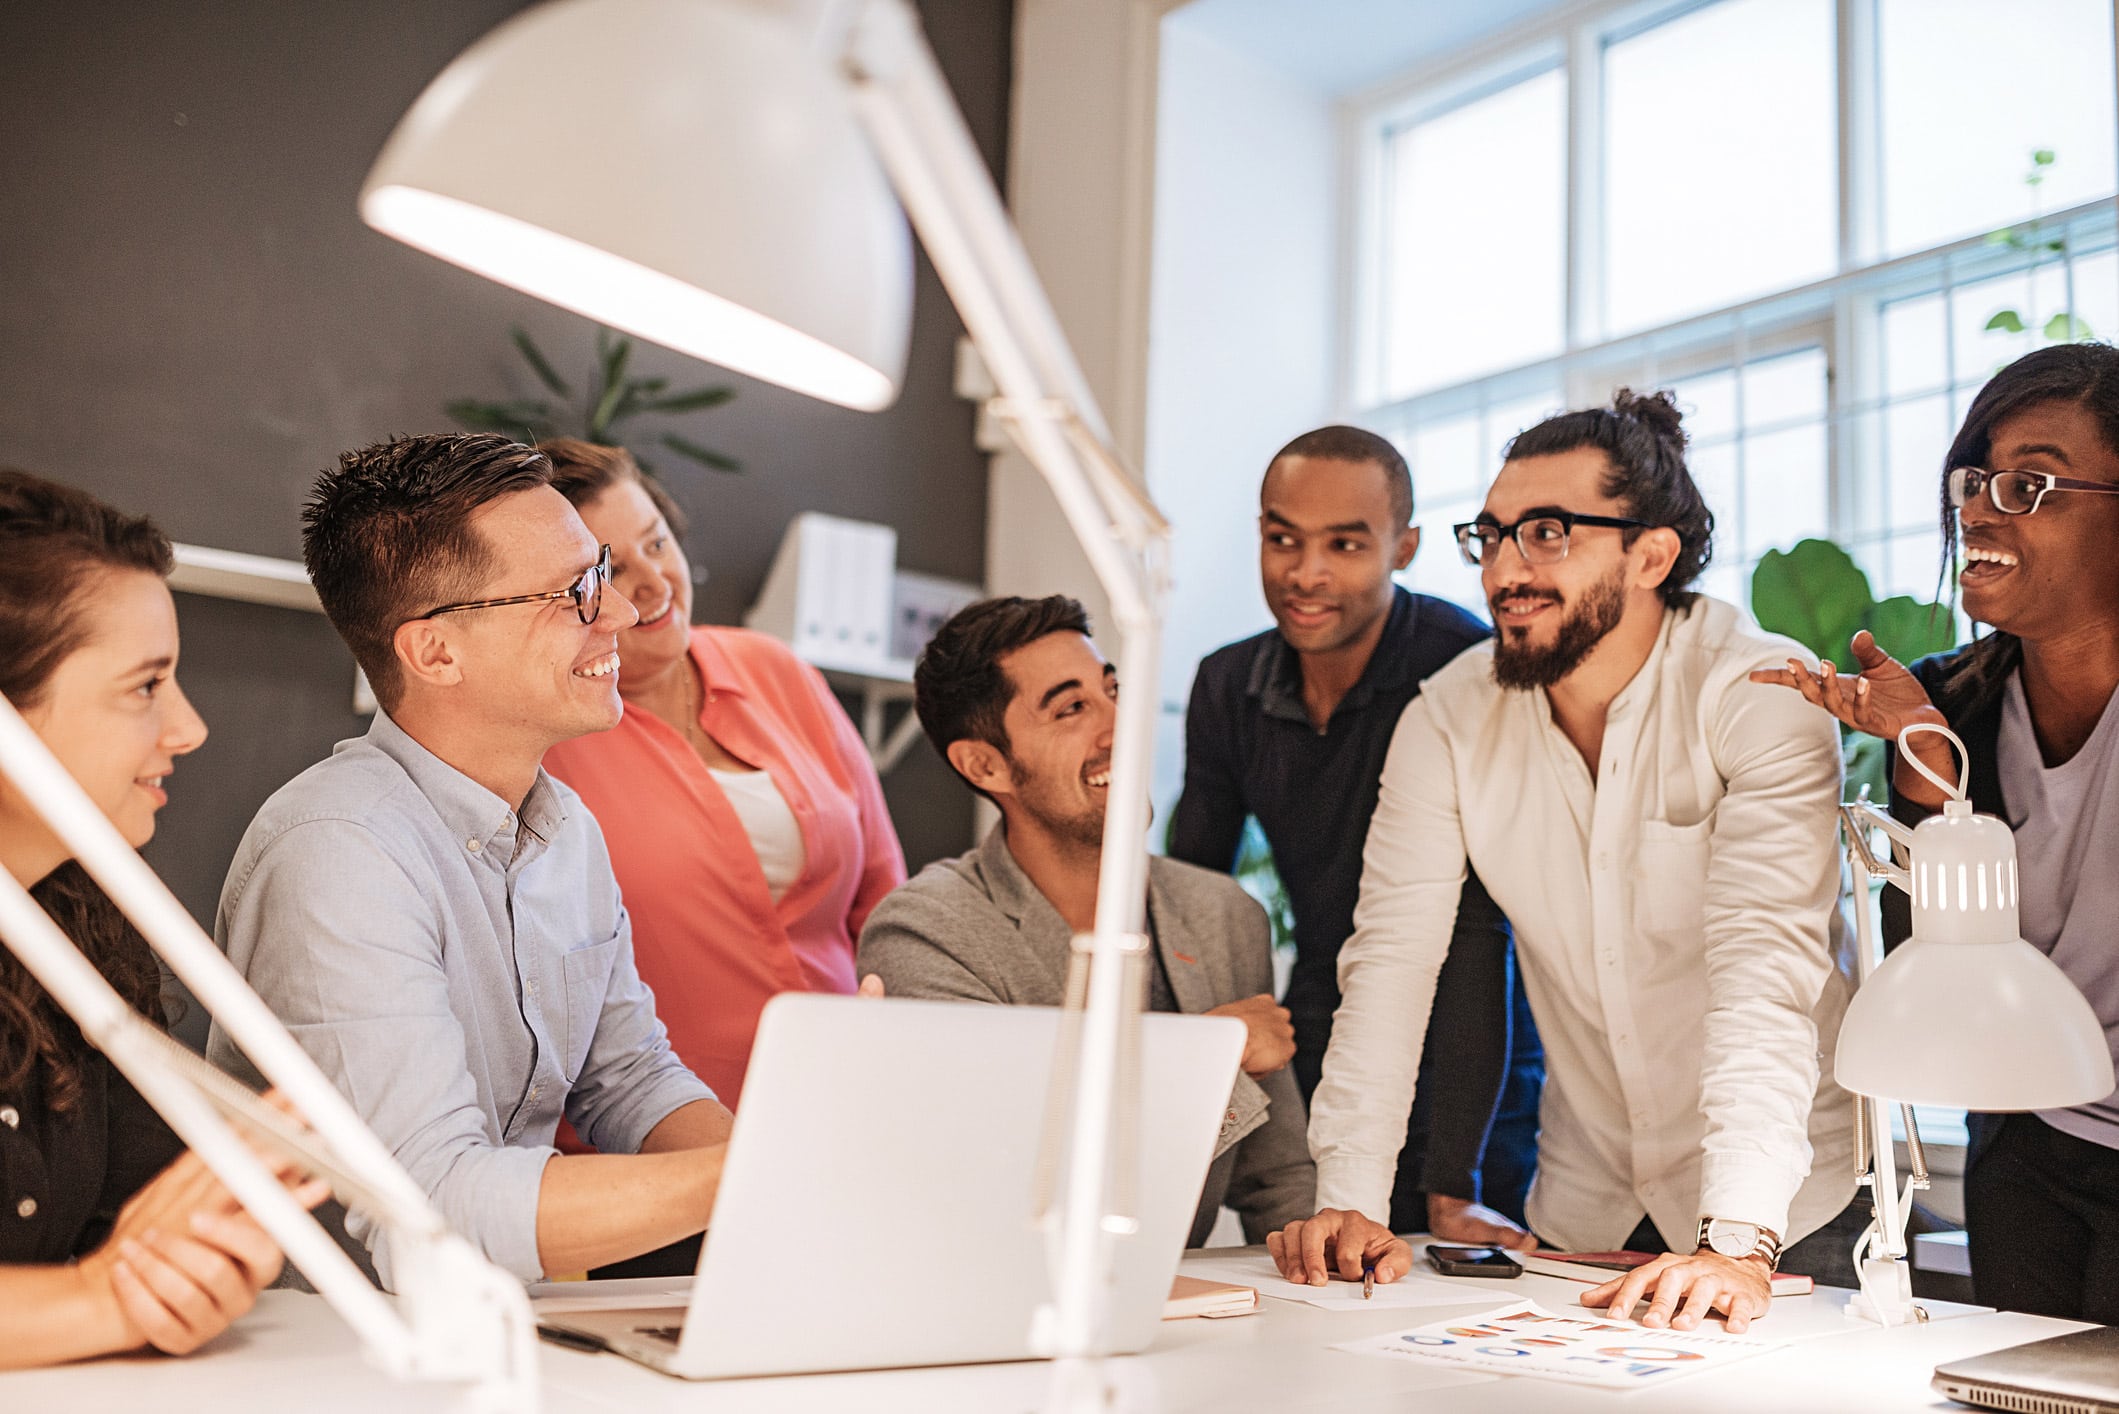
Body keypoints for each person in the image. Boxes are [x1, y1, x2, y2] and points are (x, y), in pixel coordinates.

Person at [1273, 390, 1862, 1334]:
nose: (1505, 568)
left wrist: (1736, 1242)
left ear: (1651, 554)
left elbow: (1766, 976)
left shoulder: (1756, 690)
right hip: (1581, 1205)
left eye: (1546, 532)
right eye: (1493, 535)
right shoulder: (1447, 716)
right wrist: (1346, 1198)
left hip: (1786, 1207)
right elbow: (1389, 963)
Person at [207, 434, 732, 1289]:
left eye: (596, 575)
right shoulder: (337, 852)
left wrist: (797, 1180)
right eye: (572, 594)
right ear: (435, 653)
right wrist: (760, 1171)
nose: (621, 615)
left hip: (517, 1326)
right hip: (345, 1351)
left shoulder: (567, 833)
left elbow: (629, 1078)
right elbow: (432, 1209)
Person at [1755, 342, 2119, 1323]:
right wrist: (1917, 749)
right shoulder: (1952, 702)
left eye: (2029, 482)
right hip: (2033, 1141)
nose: (1978, 508)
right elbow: (1940, 955)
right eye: (1974, 478)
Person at [1169, 424, 1541, 1247]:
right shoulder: (1226, 686)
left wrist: (1455, 1180)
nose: (1306, 574)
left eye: (1344, 544)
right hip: (1322, 1031)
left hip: (1472, 1063)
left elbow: (1480, 927)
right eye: (1282, 540)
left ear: (1403, 546)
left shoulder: (1465, 668)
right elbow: (1189, 894)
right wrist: (1179, 1063)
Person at [859, 596, 1314, 1246]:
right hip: (1003, 1312)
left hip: (1175, 1317)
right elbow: (1009, 1185)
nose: (1119, 725)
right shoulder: (925, 935)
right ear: (984, 765)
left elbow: (1280, 1184)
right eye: (1071, 708)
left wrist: (1325, 1243)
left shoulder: (1223, 916)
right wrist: (1201, 1059)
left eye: (1113, 691)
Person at [0, 469, 321, 1366]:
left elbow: (141, 1235)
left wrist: (194, 1272)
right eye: (145, 687)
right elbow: (106, 1284)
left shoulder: (86, 920)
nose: (188, 728)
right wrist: (96, 1300)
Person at [539, 440, 905, 1112]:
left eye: (656, 544)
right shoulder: (546, 737)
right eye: (612, 569)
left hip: (856, 1093)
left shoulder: (775, 670)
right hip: (669, 1134)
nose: (652, 583)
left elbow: (885, 893)